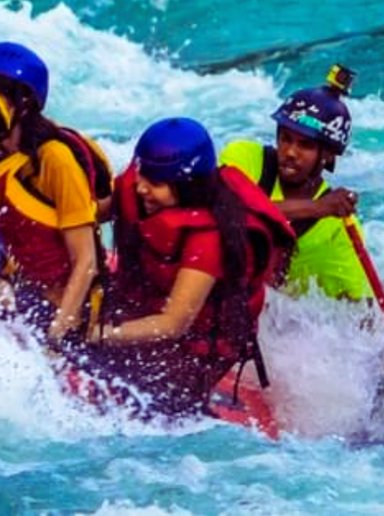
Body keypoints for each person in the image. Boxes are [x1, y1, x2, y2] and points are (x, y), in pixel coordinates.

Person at [80, 117, 294, 419]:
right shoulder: (144, 187)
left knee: (150, 408)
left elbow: (173, 324)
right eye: (141, 173)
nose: (140, 187)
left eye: (154, 183)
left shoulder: (210, 240)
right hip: (141, 304)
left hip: (192, 346)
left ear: (188, 186)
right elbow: (90, 215)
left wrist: (98, 335)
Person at [0, 43, 111, 346]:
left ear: (22, 105)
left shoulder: (54, 158)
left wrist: (55, 337)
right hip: (18, 297)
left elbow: (85, 260)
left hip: (63, 311)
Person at [219, 66, 372, 300]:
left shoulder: (336, 228)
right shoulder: (243, 158)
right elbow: (227, 210)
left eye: (305, 145)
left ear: (329, 155)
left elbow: (357, 305)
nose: (290, 152)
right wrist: (318, 208)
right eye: (286, 139)